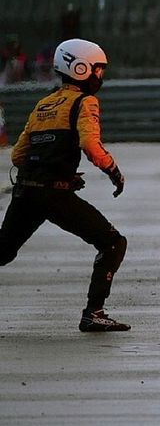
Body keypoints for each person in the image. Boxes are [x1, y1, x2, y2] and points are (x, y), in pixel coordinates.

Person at [0, 39, 129, 332]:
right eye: (98, 70)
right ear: (81, 68)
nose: (100, 77)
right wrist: (113, 170)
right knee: (112, 243)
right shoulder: (85, 102)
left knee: (3, 251)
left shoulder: (44, 103)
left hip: (26, 190)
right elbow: (90, 145)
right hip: (53, 194)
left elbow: (19, 155)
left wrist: (57, 173)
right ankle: (94, 313)